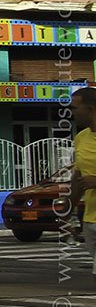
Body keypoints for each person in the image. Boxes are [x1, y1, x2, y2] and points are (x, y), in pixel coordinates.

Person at [68, 86, 96, 281]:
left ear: (91, 109)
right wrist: (66, 212)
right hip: (90, 219)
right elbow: (78, 177)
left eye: (75, 108)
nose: (71, 113)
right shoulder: (81, 138)